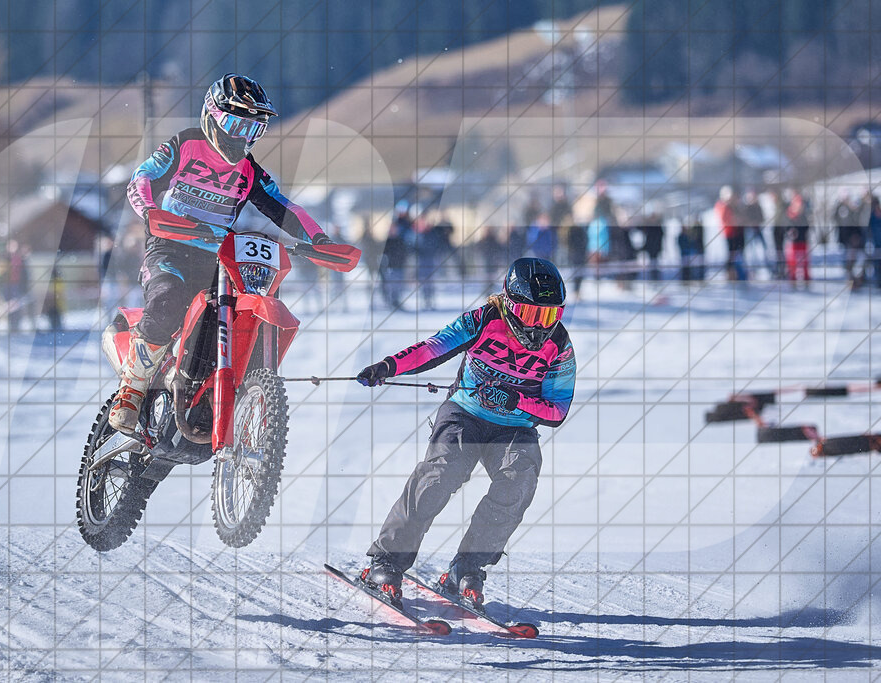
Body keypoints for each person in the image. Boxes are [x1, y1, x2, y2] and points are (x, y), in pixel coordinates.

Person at [111, 73, 336, 434]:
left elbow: (285, 208)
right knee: (168, 299)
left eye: (253, 129)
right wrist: (152, 212)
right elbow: (141, 178)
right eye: (235, 124)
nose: (241, 137)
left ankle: (234, 389)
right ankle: (132, 388)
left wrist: (320, 240)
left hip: (218, 257)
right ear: (212, 116)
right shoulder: (184, 145)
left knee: (239, 311)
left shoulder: (249, 172)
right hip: (169, 248)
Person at [355, 258, 577, 607]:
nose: (539, 326)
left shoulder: (559, 347)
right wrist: (388, 366)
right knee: (442, 473)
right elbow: (433, 348)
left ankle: (467, 567)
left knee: (519, 480)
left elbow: (557, 410)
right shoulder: (483, 320)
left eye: (549, 316)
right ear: (508, 302)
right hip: (465, 415)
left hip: (514, 430)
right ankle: (386, 561)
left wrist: (516, 400)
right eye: (532, 314)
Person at [716, 186, 746, 281]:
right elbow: (725, 219)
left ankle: (738, 273)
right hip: (730, 233)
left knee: (739, 254)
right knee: (731, 255)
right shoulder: (722, 206)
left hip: (738, 232)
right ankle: (731, 275)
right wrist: (735, 220)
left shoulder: (736, 205)